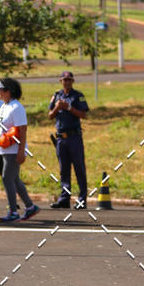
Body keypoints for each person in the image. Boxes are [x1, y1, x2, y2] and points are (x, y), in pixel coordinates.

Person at [0, 78, 40, 223]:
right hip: (5, 150)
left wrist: (21, 151)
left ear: (8, 91)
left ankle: (13, 211)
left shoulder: (16, 107)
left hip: (13, 150)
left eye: (0, 89)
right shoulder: (4, 107)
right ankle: (30, 207)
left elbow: (22, 130)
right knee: (14, 179)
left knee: (7, 178)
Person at [48, 70, 89, 209]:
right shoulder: (56, 96)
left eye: (69, 80)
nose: (67, 82)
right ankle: (64, 198)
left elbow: (83, 115)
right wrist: (57, 108)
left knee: (79, 168)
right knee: (64, 169)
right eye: (64, 80)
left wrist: (69, 108)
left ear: (73, 81)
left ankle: (82, 199)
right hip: (61, 138)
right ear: (60, 81)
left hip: (74, 137)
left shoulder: (78, 96)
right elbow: (50, 115)